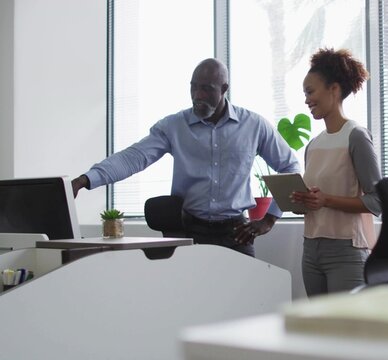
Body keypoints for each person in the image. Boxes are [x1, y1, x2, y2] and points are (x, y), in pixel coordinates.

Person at [71, 58, 300, 257]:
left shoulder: (253, 125)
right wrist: (84, 180)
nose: (198, 96)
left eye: (207, 89)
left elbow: (289, 165)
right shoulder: (174, 126)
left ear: (224, 88)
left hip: (236, 234)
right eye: (193, 88)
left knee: (244, 302)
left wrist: (269, 220)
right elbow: (134, 157)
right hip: (189, 231)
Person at [291, 48, 382, 296]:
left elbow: (377, 201)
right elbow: (315, 203)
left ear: (334, 89)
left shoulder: (356, 136)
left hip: (347, 251)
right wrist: (303, 201)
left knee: (346, 331)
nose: (307, 100)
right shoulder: (313, 144)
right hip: (310, 250)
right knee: (320, 331)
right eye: (305, 94)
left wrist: (326, 200)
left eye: (311, 92)